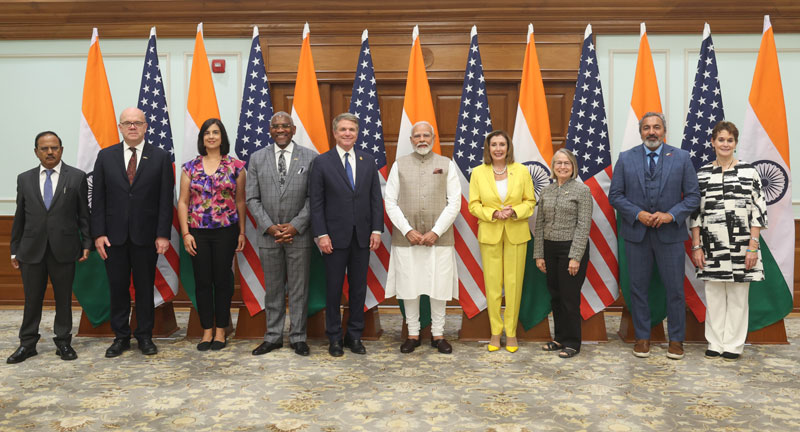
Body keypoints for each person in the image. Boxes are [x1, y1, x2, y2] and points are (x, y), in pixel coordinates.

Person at [609, 112, 700, 360]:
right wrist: (637, 214)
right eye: (647, 127)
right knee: (638, 288)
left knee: (675, 290)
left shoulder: (681, 158)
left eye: (656, 127)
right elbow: (615, 196)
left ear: (664, 131)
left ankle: (677, 340)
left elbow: (693, 197)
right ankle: (642, 337)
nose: (652, 132)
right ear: (641, 132)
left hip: (670, 235)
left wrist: (671, 215)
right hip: (636, 235)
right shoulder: (626, 159)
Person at [92, 107, 174, 358]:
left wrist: (163, 234)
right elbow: (98, 199)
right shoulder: (105, 156)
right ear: (120, 127)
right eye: (127, 123)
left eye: (137, 123)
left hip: (146, 237)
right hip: (113, 238)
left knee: (144, 288)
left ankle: (145, 336)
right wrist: (98, 233)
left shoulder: (160, 157)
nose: (132, 127)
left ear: (146, 126)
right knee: (117, 288)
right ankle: (121, 337)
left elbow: (164, 199)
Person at [8, 131, 90, 363]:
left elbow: (84, 214)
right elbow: (20, 217)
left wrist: (87, 243)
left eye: (54, 147)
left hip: (64, 248)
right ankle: (27, 343)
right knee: (32, 299)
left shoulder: (76, 177)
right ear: (36, 152)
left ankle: (63, 342)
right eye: (44, 149)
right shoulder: (24, 178)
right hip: (31, 249)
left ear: (61, 149)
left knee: (63, 299)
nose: (50, 152)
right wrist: (15, 248)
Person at [690, 121, 767, 361]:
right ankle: (714, 342)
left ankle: (733, 345)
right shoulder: (702, 173)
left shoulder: (748, 172)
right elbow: (695, 214)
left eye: (730, 140)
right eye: (721, 139)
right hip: (711, 247)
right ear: (712, 142)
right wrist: (697, 246)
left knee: (737, 298)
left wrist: (752, 247)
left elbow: (759, 211)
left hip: (743, 246)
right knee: (713, 296)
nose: (725, 144)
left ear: (735, 143)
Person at [310, 112, 383, 357]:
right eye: (343, 129)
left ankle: (354, 335)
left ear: (357, 132)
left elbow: (375, 199)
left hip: (362, 237)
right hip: (333, 238)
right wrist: (321, 234)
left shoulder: (367, 160)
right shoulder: (322, 162)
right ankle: (334, 338)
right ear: (335, 133)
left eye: (352, 129)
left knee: (358, 289)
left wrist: (376, 229)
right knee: (333, 289)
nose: (347, 133)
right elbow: (317, 203)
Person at [385, 121, 460, 354]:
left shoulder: (445, 164)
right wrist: (408, 230)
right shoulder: (399, 165)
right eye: (417, 136)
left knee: (439, 286)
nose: (421, 139)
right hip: (407, 239)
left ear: (434, 138)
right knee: (409, 286)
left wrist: (435, 231)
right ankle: (413, 333)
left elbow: (454, 202)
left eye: (426, 135)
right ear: (410, 140)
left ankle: (438, 334)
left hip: (439, 239)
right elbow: (390, 201)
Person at [247, 112, 316, 357]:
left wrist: (296, 225)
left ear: (294, 129)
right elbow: (252, 198)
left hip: (300, 235)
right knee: (273, 289)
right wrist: (270, 226)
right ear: (270, 129)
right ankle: (273, 337)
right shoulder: (256, 158)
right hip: (269, 236)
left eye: (285, 126)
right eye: (276, 126)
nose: (281, 130)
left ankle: (298, 337)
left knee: (299, 289)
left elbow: (313, 198)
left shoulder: (310, 157)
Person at [178, 118, 245, 351]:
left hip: (226, 231)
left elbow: (240, 201)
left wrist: (242, 232)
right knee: (203, 280)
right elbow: (183, 202)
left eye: (216, 132)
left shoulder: (236, 167)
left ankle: (221, 330)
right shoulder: (190, 167)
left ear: (222, 137)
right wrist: (186, 234)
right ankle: (207, 329)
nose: (211, 136)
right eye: (207, 133)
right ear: (202, 139)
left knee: (223, 280)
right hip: (197, 232)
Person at [468, 130, 535, 352]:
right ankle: (496, 332)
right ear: (488, 148)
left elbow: (530, 202)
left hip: (516, 233)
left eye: (502, 144)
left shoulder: (522, 171)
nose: (498, 148)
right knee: (493, 285)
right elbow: (473, 204)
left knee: (514, 285)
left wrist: (514, 211)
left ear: (508, 148)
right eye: (494, 144)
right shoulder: (478, 172)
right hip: (490, 233)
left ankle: (512, 332)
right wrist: (493, 214)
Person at [534, 148, 592, 359]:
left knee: (569, 299)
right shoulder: (546, 191)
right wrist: (539, 254)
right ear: (553, 167)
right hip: (549, 249)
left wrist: (575, 256)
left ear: (573, 167)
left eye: (566, 163)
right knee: (556, 297)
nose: (562, 167)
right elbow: (539, 224)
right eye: (558, 163)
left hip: (571, 249)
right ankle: (559, 338)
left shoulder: (582, 191)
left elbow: (584, 226)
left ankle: (573, 342)